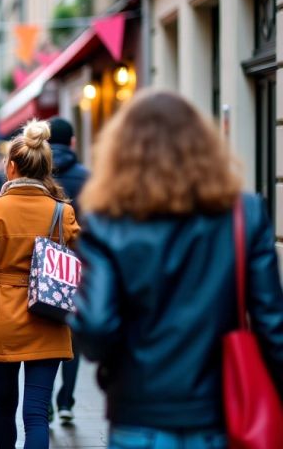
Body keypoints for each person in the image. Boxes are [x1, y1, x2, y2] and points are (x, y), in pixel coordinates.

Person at [69, 91, 283, 449]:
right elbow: (272, 325)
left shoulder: (107, 222)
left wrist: (116, 372)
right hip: (218, 414)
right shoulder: (244, 214)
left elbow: (95, 326)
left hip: (139, 413)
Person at [0, 120, 80, 449]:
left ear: (11, 167)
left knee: (5, 405)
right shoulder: (63, 212)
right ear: (45, 168)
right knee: (37, 412)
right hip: (49, 319)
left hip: (2, 320)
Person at [46, 117, 90, 424]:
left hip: (43, 264)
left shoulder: (37, 176)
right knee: (71, 335)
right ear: (73, 142)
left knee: (44, 331)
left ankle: (44, 400)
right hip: (79, 264)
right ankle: (66, 401)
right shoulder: (87, 178)